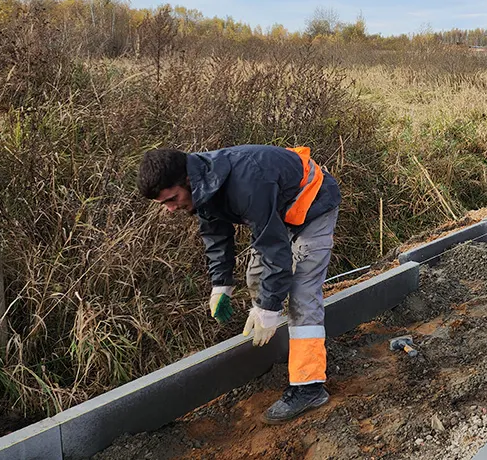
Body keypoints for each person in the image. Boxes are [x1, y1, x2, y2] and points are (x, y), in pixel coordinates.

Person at [137, 145, 341, 423]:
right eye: (165, 204)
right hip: (276, 209)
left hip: (312, 204)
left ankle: (309, 386)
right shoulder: (204, 185)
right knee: (257, 277)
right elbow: (216, 234)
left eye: (172, 199)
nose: (171, 209)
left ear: (185, 180)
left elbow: (273, 249)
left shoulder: (246, 181)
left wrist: (269, 307)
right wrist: (221, 285)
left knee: (302, 295)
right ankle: (279, 334)